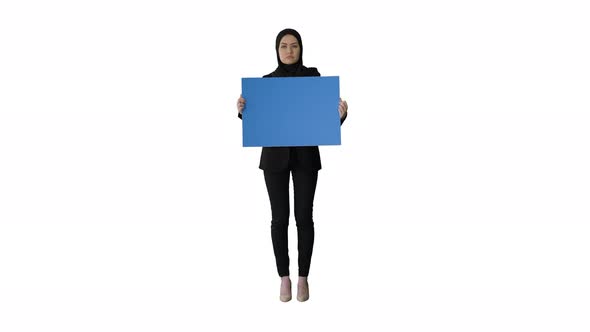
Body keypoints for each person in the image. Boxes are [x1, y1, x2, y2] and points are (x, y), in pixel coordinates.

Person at [236, 28, 348, 302]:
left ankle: (303, 278)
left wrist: (340, 116)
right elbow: (260, 122)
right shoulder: (265, 83)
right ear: (277, 50)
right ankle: (283, 277)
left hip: (305, 156)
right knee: (279, 218)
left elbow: (323, 119)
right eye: (284, 46)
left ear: (301, 49)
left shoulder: (313, 78)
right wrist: (243, 112)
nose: (289, 50)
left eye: (294, 45)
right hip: (274, 158)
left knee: (304, 217)